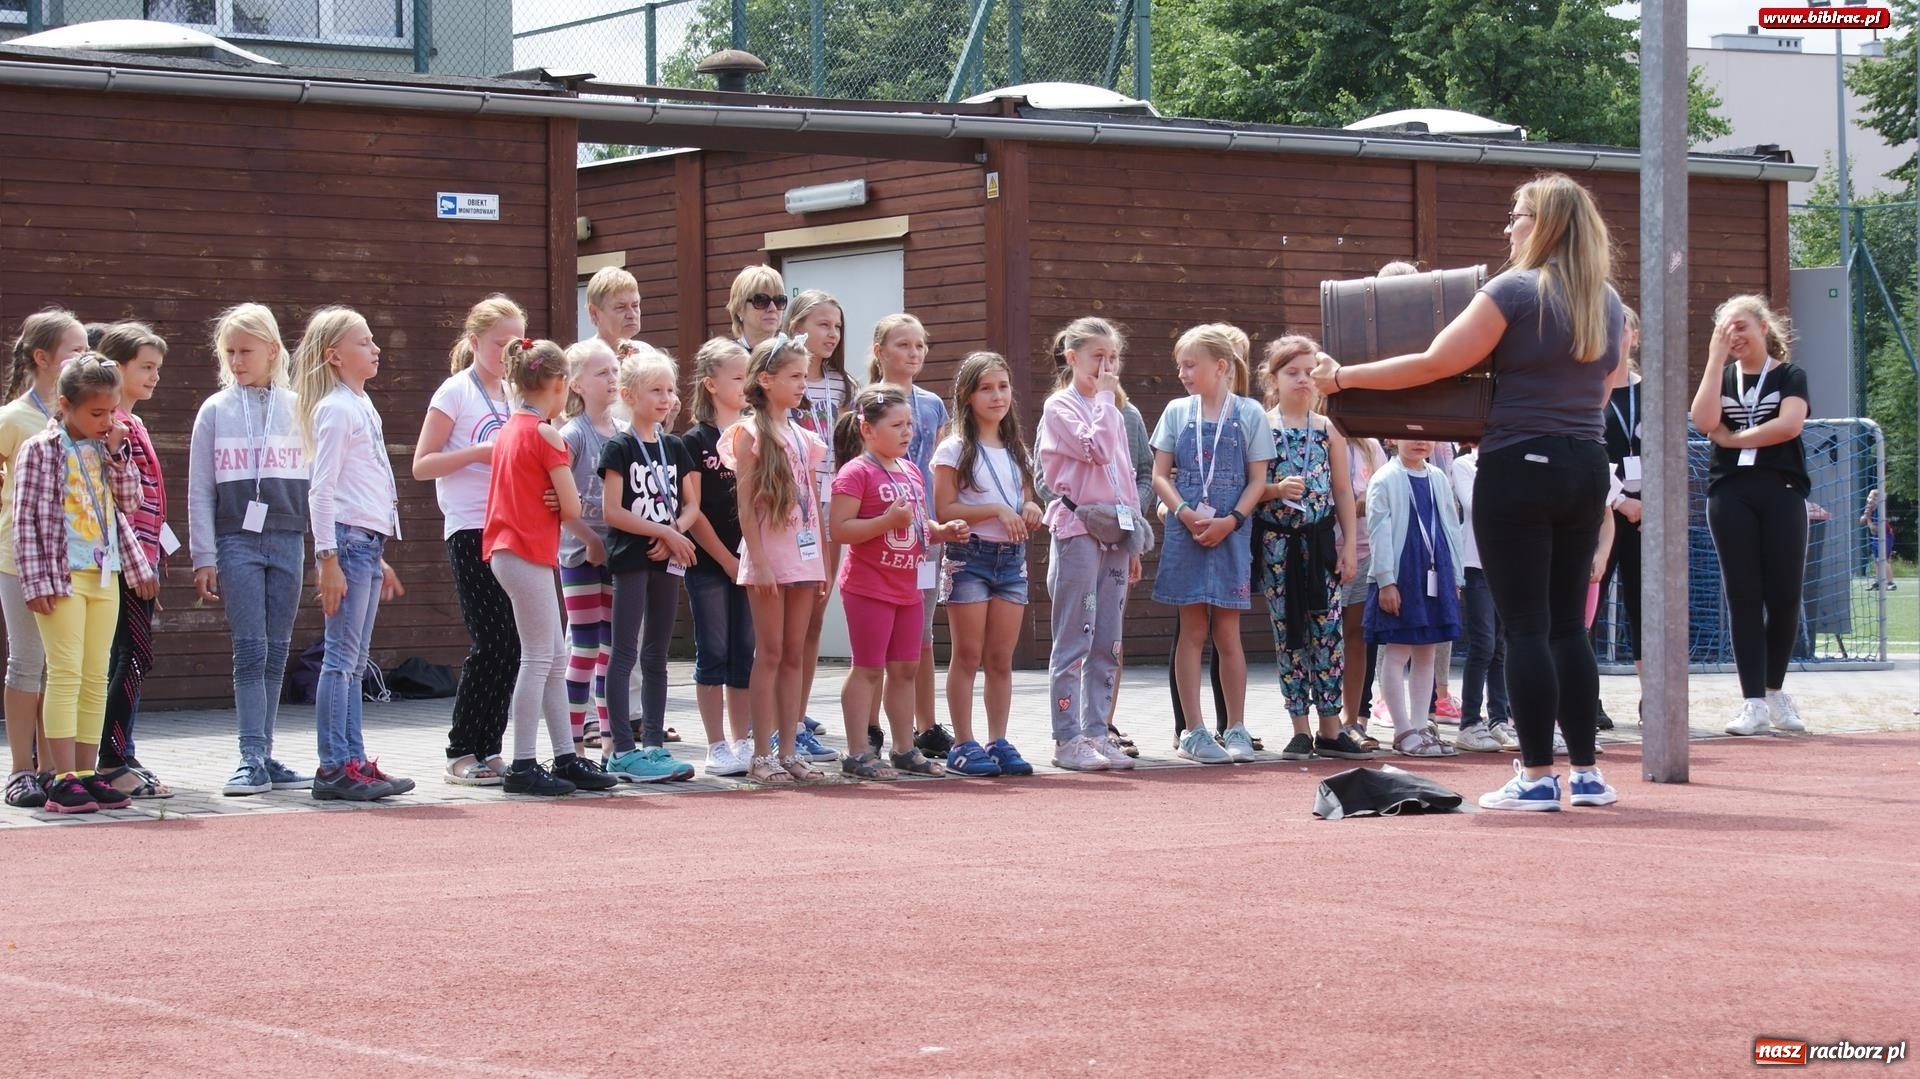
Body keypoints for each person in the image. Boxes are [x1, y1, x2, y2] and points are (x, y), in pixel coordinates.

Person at [1316, 171, 1626, 811]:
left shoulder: (1514, 290)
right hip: (1587, 464)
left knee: (1526, 628)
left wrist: (1343, 376)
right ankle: (1588, 774)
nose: (1507, 227)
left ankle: (1538, 776)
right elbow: (1609, 382)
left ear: (1541, 225)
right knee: (1569, 628)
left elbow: (1436, 361)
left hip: (1520, 464)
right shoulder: (1607, 300)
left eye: (1516, 216)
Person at [13, 355, 156, 813]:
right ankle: (59, 777)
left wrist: (117, 451)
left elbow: (130, 501)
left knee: (95, 673)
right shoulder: (40, 449)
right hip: (60, 574)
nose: (105, 421)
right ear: (64, 404)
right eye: (96, 413)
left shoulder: (106, 447)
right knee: (66, 671)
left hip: (105, 572)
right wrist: (36, 581)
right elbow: (25, 519)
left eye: (111, 412)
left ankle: (86, 772)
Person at [188, 304, 313, 799]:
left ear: (273, 351)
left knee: (278, 649)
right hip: (235, 539)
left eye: (246, 351)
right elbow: (200, 489)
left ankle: (265, 752)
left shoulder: (299, 405)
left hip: (288, 538)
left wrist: (325, 545)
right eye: (230, 352)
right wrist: (203, 556)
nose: (237, 361)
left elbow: (320, 482)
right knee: (250, 649)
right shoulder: (214, 410)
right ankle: (248, 757)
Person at [482, 337, 615, 797]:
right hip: (525, 552)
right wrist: (563, 502)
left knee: (554, 656)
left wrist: (557, 500)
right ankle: (522, 762)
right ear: (560, 385)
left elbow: (553, 497)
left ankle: (565, 755)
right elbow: (574, 502)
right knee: (540, 657)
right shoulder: (546, 433)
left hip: (509, 550)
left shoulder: (508, 429)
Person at [294, 308, 413, 801]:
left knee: (354, 659)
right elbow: (321, 492)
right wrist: (328, 558)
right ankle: (333, 766)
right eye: (364, 342)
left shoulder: (360, 404)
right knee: (340, 659)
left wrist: (377, 552)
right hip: (345, 543)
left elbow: (360, 486)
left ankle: (354, 759)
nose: (376, 349)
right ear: (334, 355)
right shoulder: (337, 409)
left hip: (362, 542)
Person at [829, 385, 969, 778]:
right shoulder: (856, 471)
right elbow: (840, 528)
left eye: (909, 424)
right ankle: (858, 751)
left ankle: (904, 748)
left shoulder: (910, 470)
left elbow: (916, 523)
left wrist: (942, 530)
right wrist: (885, 522)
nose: (907, 432)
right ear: (867, 429)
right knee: (868, 668)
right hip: (868, 586)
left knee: (905, 668)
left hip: (908, 586)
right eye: (896, 425)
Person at [1151, 323, 1276, 765]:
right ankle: (1193, 730)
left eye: (1191, 365)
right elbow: (1160, 475)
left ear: (1220, 367)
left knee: (1227, 632)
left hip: (1230, 534)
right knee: (1192, 631)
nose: (1183, 373)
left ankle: (1236, 727)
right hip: (1188, 533)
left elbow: (1258, 479)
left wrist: (1232, 520)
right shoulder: (1175, 412)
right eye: (1180, 366)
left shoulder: (1251, 413)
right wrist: (1185, 513)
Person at [414, 295, 525, 787]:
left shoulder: (516, 394)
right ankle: (462, 749)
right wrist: (479, 452)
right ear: (476, 341)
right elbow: (422, 463)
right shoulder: (454, 392)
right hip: (470, 526)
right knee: (491, 638)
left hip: (514, 526)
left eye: (517, 344)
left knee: (515, 643)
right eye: (500, 344)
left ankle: (490, 746)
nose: (508, 353)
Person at [1691, 295, 1812, 737]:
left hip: (1781, 490)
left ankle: (1776, 689)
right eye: (1725, 329)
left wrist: (1734, 438)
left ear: (1763, 328)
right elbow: (1704, 419)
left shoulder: (1789, 374)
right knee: (1742, 595)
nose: (1734, 336)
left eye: (1741, 327)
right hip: (1730, 494)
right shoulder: (1722, 375)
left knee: (1783, 596)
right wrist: (1713, 357)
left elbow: (1789, 425)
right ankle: (1752, 702)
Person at [1038, 317, 1144, 773]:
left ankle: (1099, 732)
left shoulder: (1115, 412)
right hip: (1077, 530)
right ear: (1072, 358)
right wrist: (1103, 396)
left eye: (1113, 358)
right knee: (1074, 638)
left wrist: (1135, 536)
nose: (1106, 367)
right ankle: (1067, 738)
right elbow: (1096, 451)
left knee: (1108, 641)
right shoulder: (1059, 407)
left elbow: (1124, 475)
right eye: (1097, 357)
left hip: (1115, 535)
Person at [1253, 335, 1368, 761]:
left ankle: (1330, 727)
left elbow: (1341, 490)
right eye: (1292, 372)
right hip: (1278, 546)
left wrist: (1349, 547)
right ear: (1274, 378)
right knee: (1289, 634)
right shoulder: (1261, 426)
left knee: (1328, 633)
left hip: (1319, 544)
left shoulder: (1329, 429)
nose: (1302, 380)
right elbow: (1252, 489)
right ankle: (1298, 726)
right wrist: (1274, 490)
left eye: (1308, 372)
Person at [723, 333, 830, 784]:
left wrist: (822, 560)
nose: (802, 383)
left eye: (804, 375)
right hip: (769, 557)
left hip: (804, 559)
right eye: (794, 376)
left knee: (794, 654)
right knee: (768, 652)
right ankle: (761, 753)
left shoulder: (806, 437)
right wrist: (761, 562)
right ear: (765, 380)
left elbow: (813, 503)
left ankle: (789, 750)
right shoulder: (749, 434)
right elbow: (747, 508)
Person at [933, 351, 1041, 778]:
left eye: (1003, 387)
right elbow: (944, 506)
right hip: (970, 558)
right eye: (986, 388)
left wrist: (1031, 508)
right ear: (966, 395)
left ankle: (998, 739)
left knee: (1001, 659)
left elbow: (1028, 497)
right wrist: (996, 509)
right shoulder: (954, 446)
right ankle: (962, 743)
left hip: (1011, 561)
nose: (997, 396)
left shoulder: (1016, 447)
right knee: (968, 655)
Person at [599, 349, 701, 782]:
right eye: (655, 390)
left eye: (669, 390)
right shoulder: (620, 446)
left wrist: (674, 532)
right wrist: (661, 534)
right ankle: (621, 748)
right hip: (633, 559)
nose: (665, 398)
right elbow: (612, 512)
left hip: (667, 558)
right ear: (629, 395)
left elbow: (692, 503)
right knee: (624, 652)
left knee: (657, 653)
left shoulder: (675, 446)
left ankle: (654, 745)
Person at [1, 309, 86, 809]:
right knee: (27, 661)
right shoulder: (14, 420)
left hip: (75, 562)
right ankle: (18, 769)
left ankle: (53, 768)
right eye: (75, 350)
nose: (86, 357)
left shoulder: (84, 415)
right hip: (20, 561)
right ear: (42, 357)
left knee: (62, 665)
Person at [864, 314, 953, 760]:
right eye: (903, 345)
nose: (914, 354)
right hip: (879, 534)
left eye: (920, 345)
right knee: (879, 635)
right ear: (879, 351)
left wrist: (938, 525)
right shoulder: (867, 402)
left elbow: (936, 468)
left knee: (921, 631)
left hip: (923, 534)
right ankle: (872, 726)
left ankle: (926, 724)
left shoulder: (934, 404)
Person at [94, 322, 172, 799]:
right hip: (122, 565)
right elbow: (117, 505)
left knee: (132, 656)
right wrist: (139, 565)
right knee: (134, 655)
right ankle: (111, 757)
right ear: (116, 367)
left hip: (140, 562)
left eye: (157, 368)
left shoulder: (135, 423)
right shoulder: (112, 426)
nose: (155, 376)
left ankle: (122, 750)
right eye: (145, 367)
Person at [1363, 439, 1465, 757]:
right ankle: (1403, 729)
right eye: (1410, 435)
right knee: (1398, 651)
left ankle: (1421, 726)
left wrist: (1456, 577)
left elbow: (1450, 525)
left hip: (1436, 569)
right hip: (1402, 572)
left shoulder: (1437, 476)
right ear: (1392, 440)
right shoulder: (1385, 478)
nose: (1420, 442)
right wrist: (1386, 581)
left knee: (1427, 652)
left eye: (1426, 436)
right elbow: (1378, 531)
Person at [682, 338, 755, 776]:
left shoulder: (751, 434)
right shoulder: (694, 440)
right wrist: (727, 560)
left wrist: (750, 556)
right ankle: (715, 745)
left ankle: (742, 739)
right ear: (711, 384)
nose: (746, 385)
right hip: (710, 564)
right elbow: (693, 512)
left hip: (749, 560)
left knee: (743, 651)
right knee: (713, 649)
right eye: (738, 377)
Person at [784, 291, 851, 750]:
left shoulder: (844, 385)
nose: (832, 334)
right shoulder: (783, 379)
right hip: (792, 507)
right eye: (823, 324)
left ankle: (799, 715)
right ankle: (772, 717)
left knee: (815, 615)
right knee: (787, 616)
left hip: (831, 504)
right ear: (797, 325)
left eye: (838, 327)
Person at [558, 339, 620, 755]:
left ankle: (613, 741)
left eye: (615, 371)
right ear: (576, 384)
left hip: (617, 555)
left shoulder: (623, 432)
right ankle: (572, 744)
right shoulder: (572, 435)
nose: (612, 379)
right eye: (602, 373)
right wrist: (590, 539)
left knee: (611, 649)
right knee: (583, 646)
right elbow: (559, 504)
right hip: (579, 555)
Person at [1596, 307, 1645, 727]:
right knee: (1589, 607)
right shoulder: (1590, 391)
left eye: (1622, 327)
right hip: (1603, 514)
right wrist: (1619, 502)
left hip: (1648, 518)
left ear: (1635, 336)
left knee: (1647, 606)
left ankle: (1656, 697)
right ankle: (1587, 699)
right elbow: (1590, 454)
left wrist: (1654, 506)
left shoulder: (1653, 393)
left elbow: (1671, 454)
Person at [1449, 440, 1515, 752]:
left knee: (1501, 646)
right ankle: (1469, 722)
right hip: (1475, 564)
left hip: (1508, 565)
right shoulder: (1465, 464)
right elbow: (1479, 505)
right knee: (1483, 644)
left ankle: (1498, 718)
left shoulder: (1511, 459)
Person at [1336, 434, 1387, 751]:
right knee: (1323, 641)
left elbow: (1381, 499)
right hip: (1324, 553)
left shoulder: (1372, 446)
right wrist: (1352, 504)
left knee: (1357, 636)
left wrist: (1360, 503)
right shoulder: (1320, 437)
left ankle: (1351, 719)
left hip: (1365, 554)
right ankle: (1318, 722)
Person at [726, 264, 788, 352]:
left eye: (779, 301)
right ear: (739, 308)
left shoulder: (791, 357)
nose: (773, 308)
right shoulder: (727, 359)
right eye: (761, 301)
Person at [584, 266, 644, 352]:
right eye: (621, 307)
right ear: (594, 313)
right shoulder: (581, 359)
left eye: (635, 305)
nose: (632, 315)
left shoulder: (648, 354)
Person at [1863, 488, 1895, 592]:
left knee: (1883, 559)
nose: (1869, 499)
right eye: (1869, 496)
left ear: (1878, 500)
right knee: (1877, 560)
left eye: (1872, 497)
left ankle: (1891, 583)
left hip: (1886, 536)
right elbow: (1861, 520)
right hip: (1876, 538)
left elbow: (1875, 528)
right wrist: (1866, 515)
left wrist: (1868, 519)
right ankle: (1877, 582)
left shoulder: (1879, 511)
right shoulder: (1870, 508)